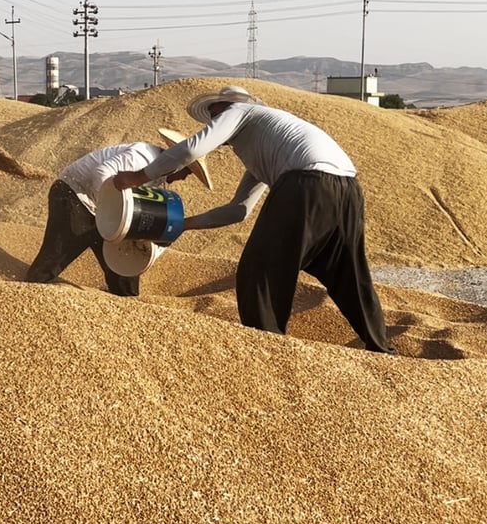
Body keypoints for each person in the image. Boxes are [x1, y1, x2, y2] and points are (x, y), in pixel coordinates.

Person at [111, 86, 393, 353]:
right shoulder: (266, 147)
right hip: (347, 188)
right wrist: (185, 225)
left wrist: (138, 177)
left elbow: (191, 150)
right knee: (348, 273)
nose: (214, 118)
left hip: (308, 182)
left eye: (216, 113)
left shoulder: (241, 112)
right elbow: (239, 210)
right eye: (212, 114)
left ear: (232, 107)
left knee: (259, 269)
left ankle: (266, 345)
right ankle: (380, 347)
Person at [26, 131, 212, 296]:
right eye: (187, 172)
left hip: (104, 211)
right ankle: (25, 294)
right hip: (74, 195)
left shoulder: (159, 178)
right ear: (179, 164)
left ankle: (125, 304)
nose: (185, 178)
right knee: (55, 257)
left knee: (124, 269)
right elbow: (101, 173)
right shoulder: (143, 157)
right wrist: (111, 211)